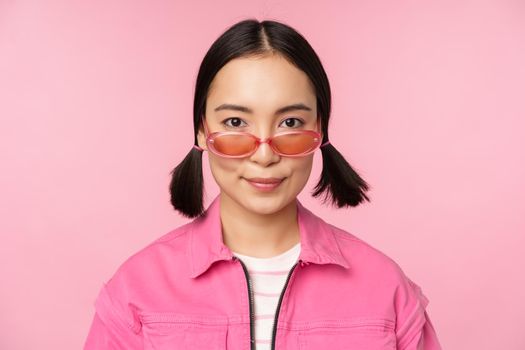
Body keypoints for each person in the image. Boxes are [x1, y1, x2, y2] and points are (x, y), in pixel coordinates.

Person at [83, 19, 442, 350]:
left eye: (289, 122)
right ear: (201, 131)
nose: (265, 154)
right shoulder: (136, 290)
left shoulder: (386, 290)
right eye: (236, 121)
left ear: (321, 131)